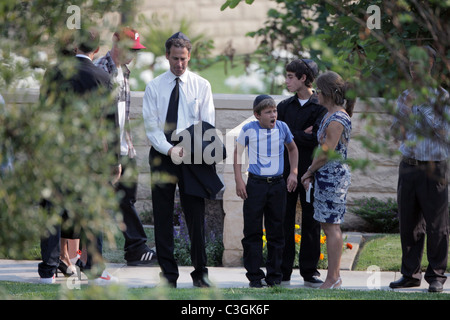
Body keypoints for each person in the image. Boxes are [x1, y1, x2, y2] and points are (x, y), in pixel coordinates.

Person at [38, 27, 119, 285]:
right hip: (89, 157)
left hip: (55, 152)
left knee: (51, 211)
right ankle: (93, 268)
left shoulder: (54, 74)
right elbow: (110, 124)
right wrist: (115, 160)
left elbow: (42, 115)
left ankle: (49, 268)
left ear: (75, 47)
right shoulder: (103, 77)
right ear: (96, 49)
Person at [142, 32, 216, 288]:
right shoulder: (154, 87)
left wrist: (189, 150)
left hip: (193, 154)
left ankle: (201, 273)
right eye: (175, 58)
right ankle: (168, 275)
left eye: (183, 59)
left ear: (189, 56)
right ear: (166, 56)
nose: (179, 64)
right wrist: (169, 150)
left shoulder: (202, 85)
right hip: (163, 154)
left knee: (196, 216)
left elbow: (207, 125)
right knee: (162, 216)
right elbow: (151, 129)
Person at [95, 26, 156, 266]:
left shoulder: (124, 71)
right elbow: (102, 118)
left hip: (126, 147)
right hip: (111, 149)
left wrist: (128, 149)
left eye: (136, 49)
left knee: (126, 198)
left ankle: (134, 249)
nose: (132, 53)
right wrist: (111, 156)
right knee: (117, 198)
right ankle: (136, 246)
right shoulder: (102, 70)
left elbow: (123, 115)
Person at [389, 45, 449, 293]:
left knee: (437, 225)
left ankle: (436, 276)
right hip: (409, 167)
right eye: (412, 64)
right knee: (409, 223)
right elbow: (394, 132)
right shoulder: (404, 96)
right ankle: (410, 274)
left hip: (434, 168)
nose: (414, 69)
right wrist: (406, 109)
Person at [234, 95, 298, 287]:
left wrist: (293, 173)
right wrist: (239, 180)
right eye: (268, 112)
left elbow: (293, 149)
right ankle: (254, 275)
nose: (273, 115)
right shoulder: (248, 129)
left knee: (276, 232)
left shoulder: (283, 128)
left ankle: (274, 276)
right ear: (257, 115)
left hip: (277, 186)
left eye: (275, 111)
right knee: (252, 231)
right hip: (255, 186)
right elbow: (237, 153)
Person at [300, 71, 354, 289]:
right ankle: (334, 277)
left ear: (328, 93)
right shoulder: (330, 115)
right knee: (327, 225)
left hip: (333, 178)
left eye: (319, 91)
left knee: (332, 227)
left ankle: (333, 278)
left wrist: (308, 171)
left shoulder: (337, 118)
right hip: (326, 177)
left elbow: (326, 152)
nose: (316, 95)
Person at [277, 59, 327, 287]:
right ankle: (283, 270)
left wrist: (292, 134)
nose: (286, 81)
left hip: (312, 172)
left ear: (303, 78)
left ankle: (309, 271)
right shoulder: (284, 107)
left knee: (311, 221)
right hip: (286, 172)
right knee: (284, 219)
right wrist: (301, 133)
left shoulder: (321, 106)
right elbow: (278, 136)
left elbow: (318, 138)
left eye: (290, 76)